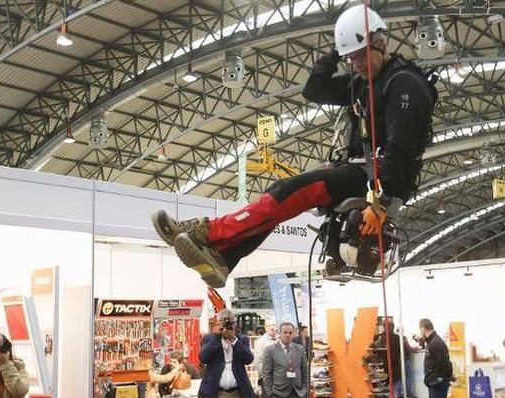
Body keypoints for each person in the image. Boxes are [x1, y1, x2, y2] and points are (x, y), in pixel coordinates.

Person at [151, 4, 436, 288]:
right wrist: (338, 50)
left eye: (361, 56)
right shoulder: (363, 83)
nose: (357, 65)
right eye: (351, 59)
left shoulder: (404, 84)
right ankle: (226, 257)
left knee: (290, 191)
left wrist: (381, 202)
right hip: (363, 173)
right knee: (281, 201)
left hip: (378, 180)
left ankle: (209, 233)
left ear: (380, 42)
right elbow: (315, 89)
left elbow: (401, 148)